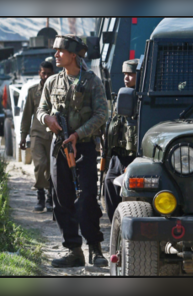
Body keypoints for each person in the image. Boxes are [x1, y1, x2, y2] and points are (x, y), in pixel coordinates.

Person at [36, 34, 109, 268]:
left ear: (74, 55)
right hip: (59, 148)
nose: (56, 55)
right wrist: (47, 118)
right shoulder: (52, 82)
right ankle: (74, 250)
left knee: (87, 198)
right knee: (61, 199)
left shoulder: (91, 81)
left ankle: (95, 248)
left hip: (84, 147)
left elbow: (101, 115)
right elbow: (41, 109)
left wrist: (78, 135)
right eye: (55, 50)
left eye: (60, 51)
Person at [103, 59, 139, 223]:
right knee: (109, 183)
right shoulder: (121, 95)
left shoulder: (145, 99)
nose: (126, 78)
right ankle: (114, 224)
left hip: (136, 156)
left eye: (131, 74)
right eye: (125, 74)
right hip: (119, 154)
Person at [20, 61, 55, 212]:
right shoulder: (33, 91)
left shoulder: (58, 90)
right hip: (37, 134)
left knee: (52, 168)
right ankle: (41, 195)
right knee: (40, 164)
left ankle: (50, 198)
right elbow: (27, 115)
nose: (46, 76)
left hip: (54, 135)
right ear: (39, 73)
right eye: (43, 73)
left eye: (49, 73)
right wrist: (23, 136)